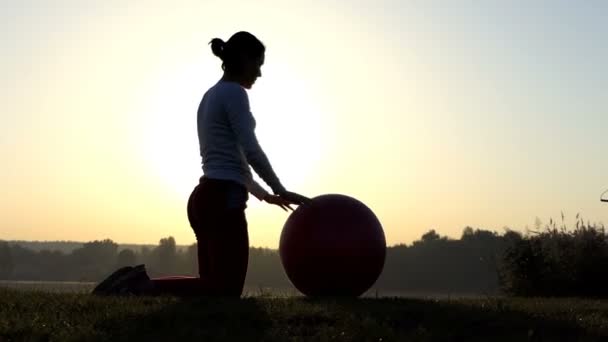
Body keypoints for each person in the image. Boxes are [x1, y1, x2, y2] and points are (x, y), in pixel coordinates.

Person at [93, 31, 310, 297]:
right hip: (223, 200)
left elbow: (231, 161)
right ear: (243, 60)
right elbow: (250, 151)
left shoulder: (210, 95)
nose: (260, 73)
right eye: (258, 65)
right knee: (225, 291)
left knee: (211, 288)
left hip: (204, 199)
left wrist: (265, 196)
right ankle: (136, 286)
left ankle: (133, 284)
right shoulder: (234, 93)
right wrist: (281, 188)